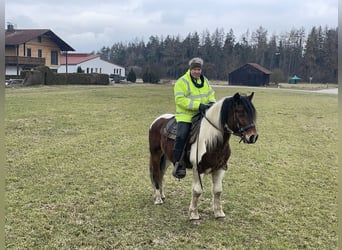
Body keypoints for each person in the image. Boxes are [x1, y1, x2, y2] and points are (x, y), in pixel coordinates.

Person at [172, 57, 216, 179]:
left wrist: (212, 103)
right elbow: (180, 100)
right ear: (190, 69)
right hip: (186, 116)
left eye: (199, 69)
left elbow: (210, 94)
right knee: (182, 135)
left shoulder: (205, 81)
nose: (197, 71)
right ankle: (178, 163)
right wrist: (198, 106)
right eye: (195, 69)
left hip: (203, 114)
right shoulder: (182, 82)